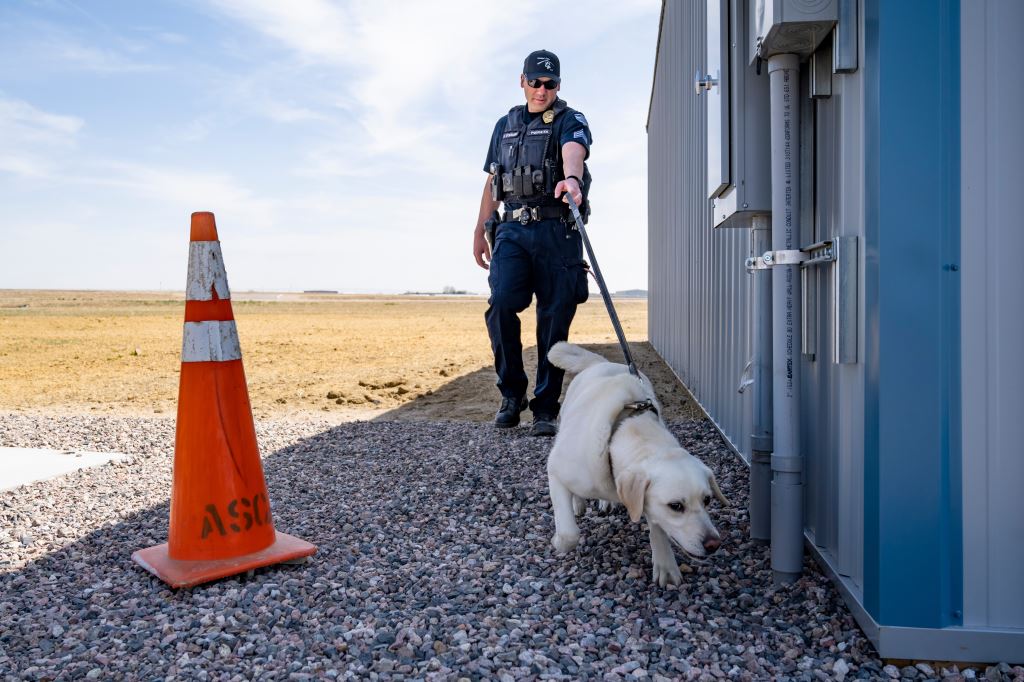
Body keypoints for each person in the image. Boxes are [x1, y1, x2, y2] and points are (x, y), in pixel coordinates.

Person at [473, 49, 593, 437]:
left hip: (557, 231)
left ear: (559, 85)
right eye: (535, 82)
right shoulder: (504, 125)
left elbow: (574, 152)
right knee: (502, 304)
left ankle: (545, 408)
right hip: (512, 231)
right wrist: (478, 230)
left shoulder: (570, 120)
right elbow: (493, 181)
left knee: (554, 317)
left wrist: (571, 181)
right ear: (522, 80)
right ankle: (512, 394)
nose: (542, 90)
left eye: (550, 83)